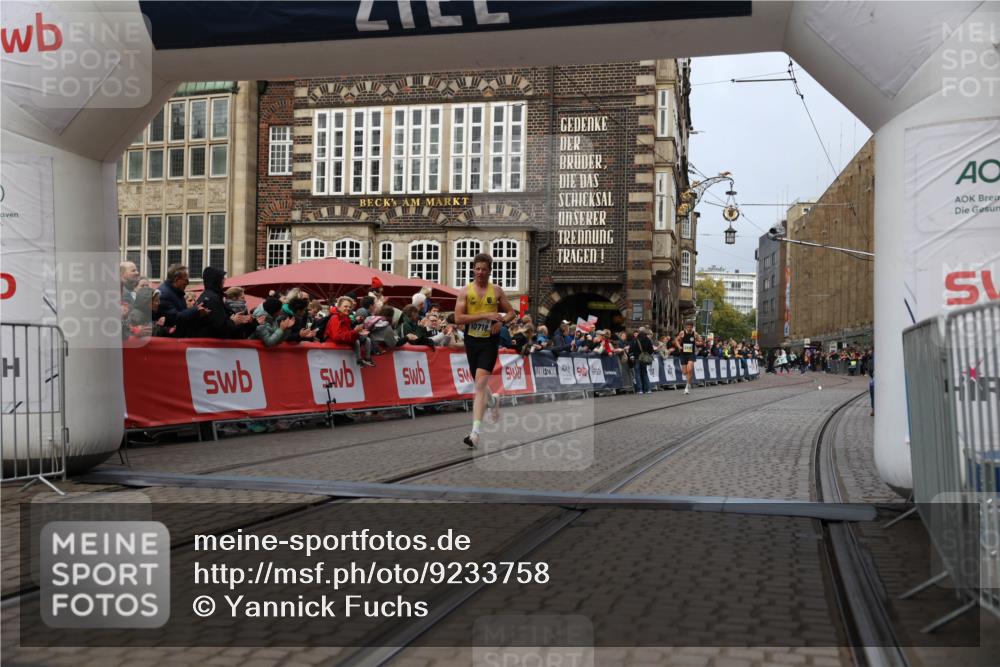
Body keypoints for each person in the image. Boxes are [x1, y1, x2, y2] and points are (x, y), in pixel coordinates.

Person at [454, 253, 516, 448]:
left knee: (479, 385)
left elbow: (512, 312)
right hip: (472, 341)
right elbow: (458, 319)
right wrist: (486, 315)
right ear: (473, 270)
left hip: (490, 341)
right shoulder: (465, 292)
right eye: (477, 269)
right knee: (479, 383)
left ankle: (475, 433)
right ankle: (493, 401)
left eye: (484, 269)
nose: (480, 272)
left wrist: (501, 322)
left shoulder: (496, 291)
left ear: (490, 271)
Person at [183, 267, 255, 338]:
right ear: (216, 280)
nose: (224, 280)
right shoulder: (213, 298)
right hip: (211, 346)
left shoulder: (207, 295)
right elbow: (221, 328)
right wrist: (233, 321)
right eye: (222, 278)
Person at [324, 296, 375, 366]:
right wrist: (355, 332)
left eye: (349, 307)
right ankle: (360, 360)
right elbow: (336, 337)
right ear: (338, 307)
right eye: (345, 306)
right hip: (333, 353)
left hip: (340, 353)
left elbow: (349, 337)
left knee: (362, 340)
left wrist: (358, 333)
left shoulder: (346, 319)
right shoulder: (335, 318)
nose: (348, 308)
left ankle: (362, 360)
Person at [674, 320, 703, 395]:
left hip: (691, 354)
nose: (689, 328)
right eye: (688, 327)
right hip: (683, 354)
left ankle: (687, 387)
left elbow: (701, 341)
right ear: (686, 327)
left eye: (690, 327)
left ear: (692, 327)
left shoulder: (695, 334)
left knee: (690, 368)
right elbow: (676, 340)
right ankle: (689, 379)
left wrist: (698, 342)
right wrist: (679, 346)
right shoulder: (682, 333)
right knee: (684, 372)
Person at [629, 327, 655, 394]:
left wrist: (632, 356)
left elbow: (631, 349)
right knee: (644, 373)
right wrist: (647, 354)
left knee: (637, 374)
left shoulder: (635, 339)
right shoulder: (648, 340)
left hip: (637, 358)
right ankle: (648, 389)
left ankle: (640, 390)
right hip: (644, 359)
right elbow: (651, 350)